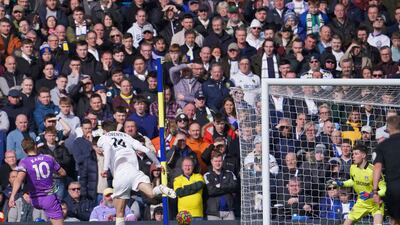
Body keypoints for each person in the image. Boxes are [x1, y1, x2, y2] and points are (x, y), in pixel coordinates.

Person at [97, 121, 176, 225]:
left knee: (119, 213)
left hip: (121, 176)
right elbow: (147, 150)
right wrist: (157, 164)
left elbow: (107, 149)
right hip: (134, 172)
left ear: (104, 130)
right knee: (151, 193)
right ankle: (161, 188)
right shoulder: (127, 137)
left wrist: (105, 168)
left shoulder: (104, 137)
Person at [8, 138, 66, 225]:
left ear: (24, 150)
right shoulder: (48, 158)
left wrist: (12, 196)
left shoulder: (24, 162)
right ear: (35, 146)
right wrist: (51, 174)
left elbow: (19, 179)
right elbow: (63, 173)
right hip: (49, 198)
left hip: (34, 200)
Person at [335, 144, 386, 225]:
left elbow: (384, 190)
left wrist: (371, 195)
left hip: (376, 203)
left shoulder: (374, 171)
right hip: (361, 202)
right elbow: (353, 181)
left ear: (363, 155)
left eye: (356, 154)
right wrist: (342, 183)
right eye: (353, 154)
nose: (353, 156)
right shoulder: (352, 167)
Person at [373, 115, 400, 225]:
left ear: (388, 128)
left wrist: (375, 191)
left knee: (394, 220)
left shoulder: (382, 146)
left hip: (394, 189)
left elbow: (377, 168)